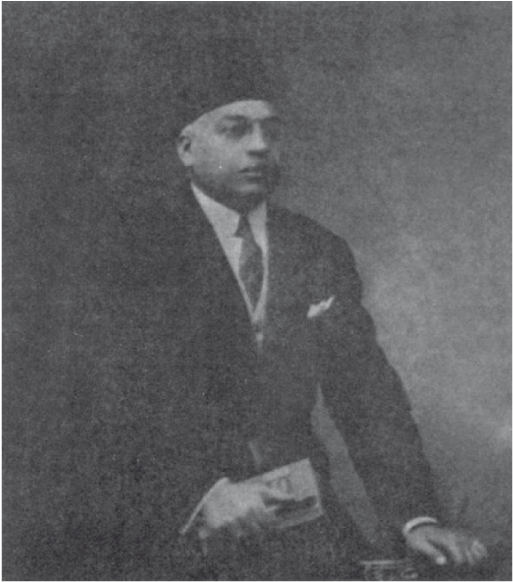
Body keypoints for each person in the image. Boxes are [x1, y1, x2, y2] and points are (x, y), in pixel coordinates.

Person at [32, 36, 487, 581]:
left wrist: (416, 518)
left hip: (299, 521)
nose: (260, 146)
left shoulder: (317, 249)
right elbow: (97, 398)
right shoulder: (130, 247)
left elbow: (366, 395)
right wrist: (199, 493)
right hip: (162, 521)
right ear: (186, 148)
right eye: (236, 129)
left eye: (271, 130)